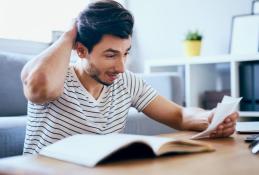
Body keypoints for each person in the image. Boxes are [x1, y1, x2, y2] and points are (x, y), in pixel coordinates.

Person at [21, 0, 238, 154]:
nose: (121, 67)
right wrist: (69, 34)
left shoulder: (126, 82)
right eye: (110, 55)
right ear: (80, 50)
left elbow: (179, 115)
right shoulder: (55, 77)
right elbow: (39, 89)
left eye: (125, 53)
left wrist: (209, 119)